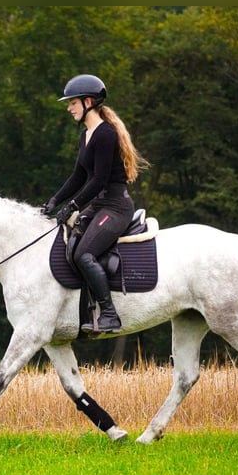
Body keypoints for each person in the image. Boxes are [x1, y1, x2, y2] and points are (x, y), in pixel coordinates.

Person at [41, 74, 149, 333]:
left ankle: (110, 315)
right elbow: (79, 176)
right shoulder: (86, 135)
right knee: (72, 245)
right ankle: (87, 312)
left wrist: (73, 206)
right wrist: (55, 201)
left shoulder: (106, 134)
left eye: (73, 103)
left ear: (88, 101)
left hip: (115, 207)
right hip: (98, 206)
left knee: (83, 254)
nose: (69, 108)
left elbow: (100, 180)